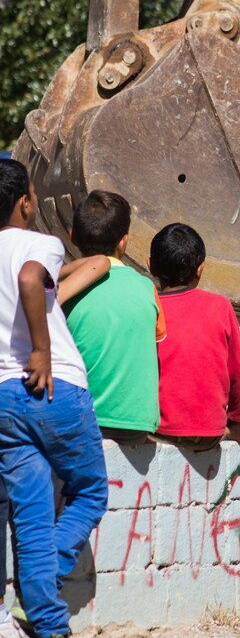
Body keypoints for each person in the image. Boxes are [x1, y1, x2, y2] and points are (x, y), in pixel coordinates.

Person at [0, 159, 108, 638]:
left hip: (3, 399)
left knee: (32, 511)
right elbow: (28, 278)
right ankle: (40, 584)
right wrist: (41, 350)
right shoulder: (40, 243)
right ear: (26, 202)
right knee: (89, 492)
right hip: (51, 386)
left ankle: (47, 625)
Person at [62, 189, 166, 443]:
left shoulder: (63, 290)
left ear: (73, 237)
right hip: (138, 425)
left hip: (82, 423)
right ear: (124, 241)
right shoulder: (146, 288)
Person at [149, 223, 240, 457]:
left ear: (151, 266)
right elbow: (239, 374)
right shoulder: (220, 306)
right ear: (200, 268)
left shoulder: (148, 307)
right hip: (210, 434)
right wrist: (238, 423)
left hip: (157, 431)